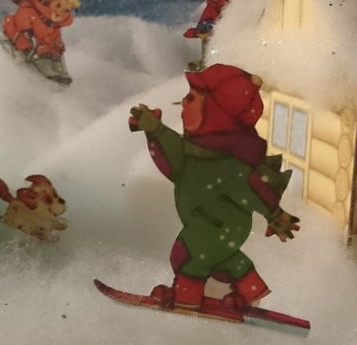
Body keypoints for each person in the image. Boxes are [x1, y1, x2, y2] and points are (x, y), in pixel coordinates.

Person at [128, 63, 300, 310]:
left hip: (219, 223)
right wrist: (155, 130)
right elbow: (173, 158)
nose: (183, 102)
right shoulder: (196, 153)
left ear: (215, 113)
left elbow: (252, 188)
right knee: (224, 258)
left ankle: (186, 297)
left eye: (191, 98)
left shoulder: (227, 164)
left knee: (187, 254)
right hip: (216, 224)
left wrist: (274, 214)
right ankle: (251, 290)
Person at [1, 0, 80, 85]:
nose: (61, 12)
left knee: (56, 55)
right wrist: (27, 31)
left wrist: (58, 43)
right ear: (47, 3)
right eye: (58, 6)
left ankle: (60, 71)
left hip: (47, 44)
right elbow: (23, 17)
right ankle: (46, 69)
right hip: (32, 43)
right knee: (44, 53)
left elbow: (55, 35)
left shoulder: (55, 23)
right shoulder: (32, 13)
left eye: (67, 10)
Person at [184, 0, 236, 70]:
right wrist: (197, 31)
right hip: (216, 39)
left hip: (233, 41)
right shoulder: (212, 5)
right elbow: (206, 19)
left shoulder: (234, 0)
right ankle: (206, 62)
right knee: (207, 43)